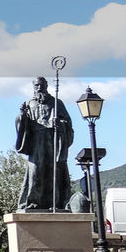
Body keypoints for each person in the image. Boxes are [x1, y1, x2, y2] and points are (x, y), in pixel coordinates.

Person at [14, 76, 75, 211]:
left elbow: (68, 123)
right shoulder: (29, 103)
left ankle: (56, 202)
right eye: (36, 86)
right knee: (35, 171)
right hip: (36, 141)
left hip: (52, 140)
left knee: (54, 171)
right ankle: (32, 202)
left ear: (46, 86)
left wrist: (59, 124)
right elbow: (22, 123)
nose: (39, 88)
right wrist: (22, 116)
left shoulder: (56, 103)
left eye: (41, 85)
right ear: (33, 87)